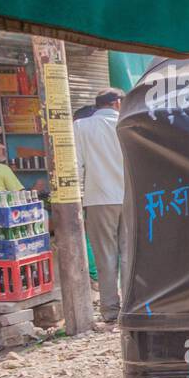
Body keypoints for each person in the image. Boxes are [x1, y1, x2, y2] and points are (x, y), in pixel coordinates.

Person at [75, 88, 127, 322]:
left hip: (98, 200)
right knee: (130, 254)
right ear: (116, 103)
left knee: (105, 255)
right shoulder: (128, 125)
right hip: (131, 199)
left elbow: (76, 165)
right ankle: (131, 306)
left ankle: (110, 310)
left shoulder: (81, 127)